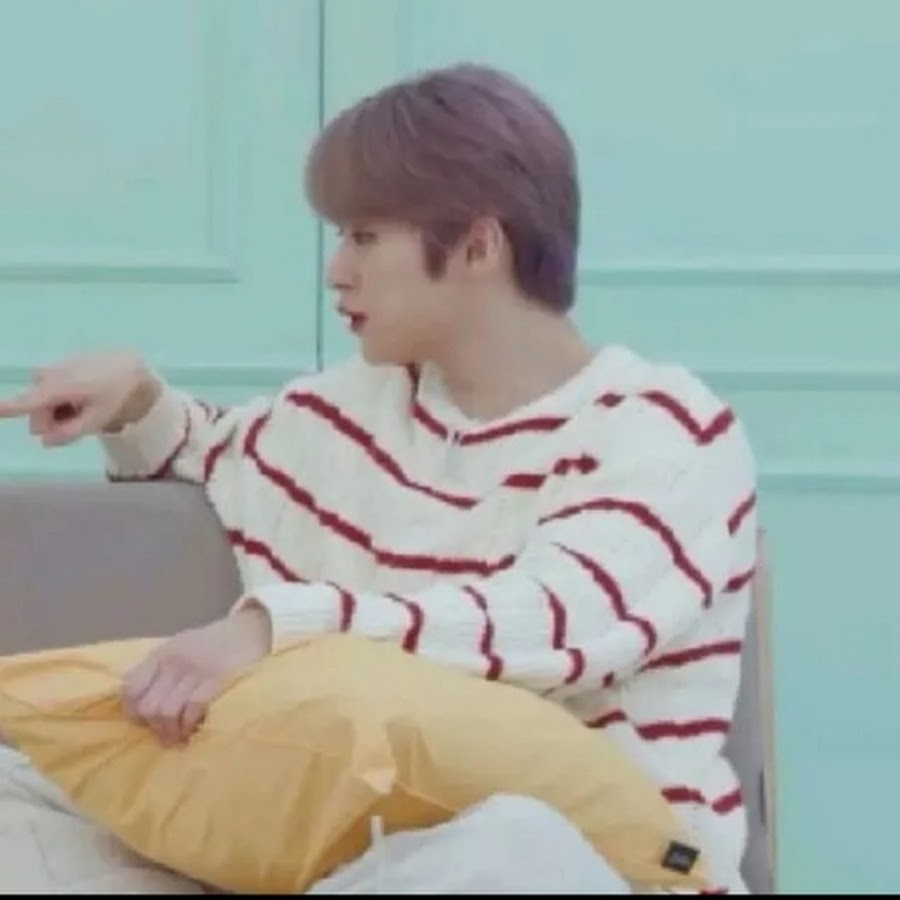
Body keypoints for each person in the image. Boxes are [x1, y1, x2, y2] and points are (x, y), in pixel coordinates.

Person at [0, 63, 758, 893]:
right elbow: (214, 453)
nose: (336, 271)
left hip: (600, 871)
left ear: (479, 245)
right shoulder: (346, 415)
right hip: (349, 863)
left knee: (511, 847)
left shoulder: (663, 430)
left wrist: (275, 628)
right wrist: (133, 402)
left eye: (363, 237)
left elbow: (558, 622)